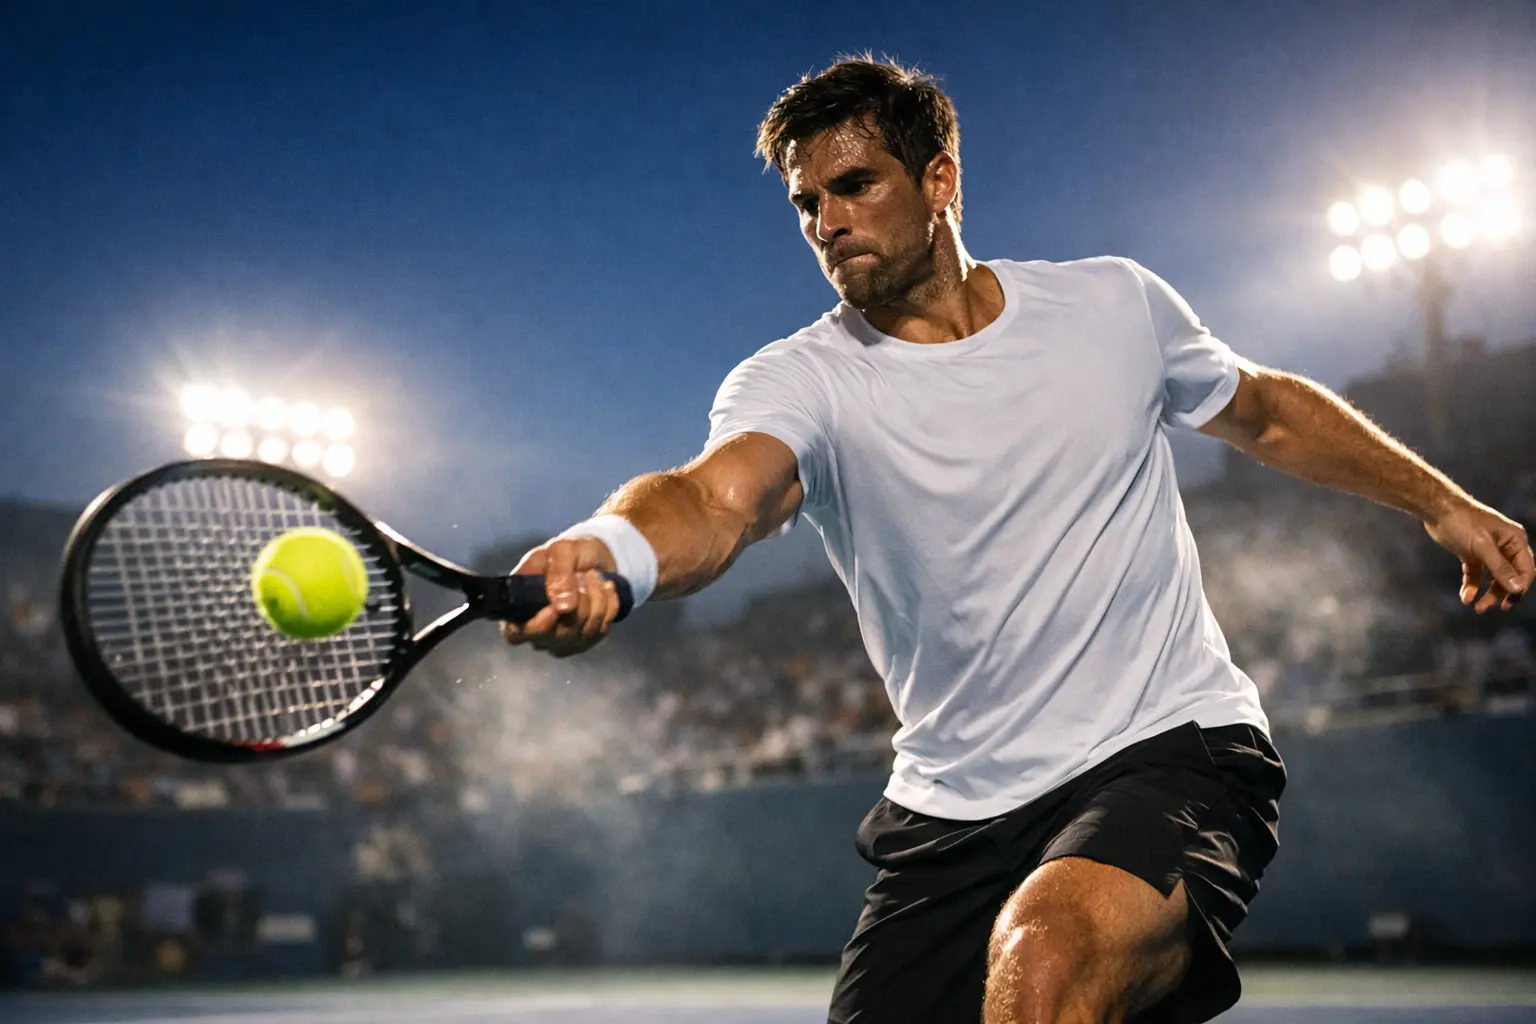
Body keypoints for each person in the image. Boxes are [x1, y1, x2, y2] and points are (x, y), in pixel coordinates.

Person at [501, 57, 1533, 1024]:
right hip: (953, 813)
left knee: (1044, 965)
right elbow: (717, 499)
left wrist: (1438, 500)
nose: (829, 222)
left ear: (939, 178)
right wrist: (618, 550)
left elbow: (1262, 411)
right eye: (809, 203)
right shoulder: (797, 380)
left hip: (1168, 750)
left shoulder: (1113, 304)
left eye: (856, 185)